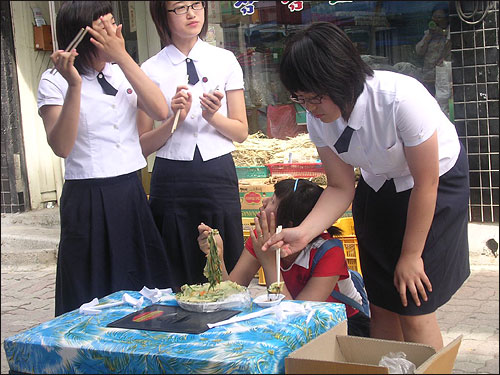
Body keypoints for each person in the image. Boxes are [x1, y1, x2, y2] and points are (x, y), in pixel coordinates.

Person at [263, 22, 470, 350]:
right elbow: (340, 187)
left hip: (435, 185)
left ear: (340, 78)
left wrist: (411, 255)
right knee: (383, 304)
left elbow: (426, 182)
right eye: (301, 99)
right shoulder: (319, 118)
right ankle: (389, 370)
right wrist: (303, 232)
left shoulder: (400, 98)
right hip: (379, 186)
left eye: (315, 98)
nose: (310, 110)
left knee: (413, 304)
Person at [37, 1, 172, 316]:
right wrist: (74, 85)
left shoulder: (122, 70)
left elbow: (160, 110)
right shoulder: (54, 81)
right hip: (88, 196)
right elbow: (62, 146)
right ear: (87, 37)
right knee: (92, 290)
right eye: (108, 26)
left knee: (141, 284)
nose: (117, 31)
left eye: (115, 24)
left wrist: (122, 56)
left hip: (129, 191)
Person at [138, 1, 249, 290]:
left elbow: (241, 131)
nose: (191, 14)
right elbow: (140, 145)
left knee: (226, 258)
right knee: (175, 265)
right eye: (180, 7)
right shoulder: (149, 70)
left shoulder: (224, 60)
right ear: (162, 15)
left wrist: (213, 117)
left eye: (196, 4)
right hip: (171, 178)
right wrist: (174, 120)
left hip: (218, 173)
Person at [198, 179, 371, 337]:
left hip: (343, 327)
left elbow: (297, 319)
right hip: (296, 324)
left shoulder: (328, 252)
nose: (263, 203)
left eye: (272, 202)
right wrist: (216, 256)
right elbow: (230, 296)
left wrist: (269, 262)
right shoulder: (262, 239)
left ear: (288, 224)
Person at [415, 3, 451, 97]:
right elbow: (419, 51)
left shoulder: (450, 33)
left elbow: (449, 48)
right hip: (428, 76)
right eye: (434, 17)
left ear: (446, 19)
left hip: (442, 77)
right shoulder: (429, 33)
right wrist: (428, 37)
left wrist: (442, 32)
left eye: (439, 17)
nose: (435, 20)